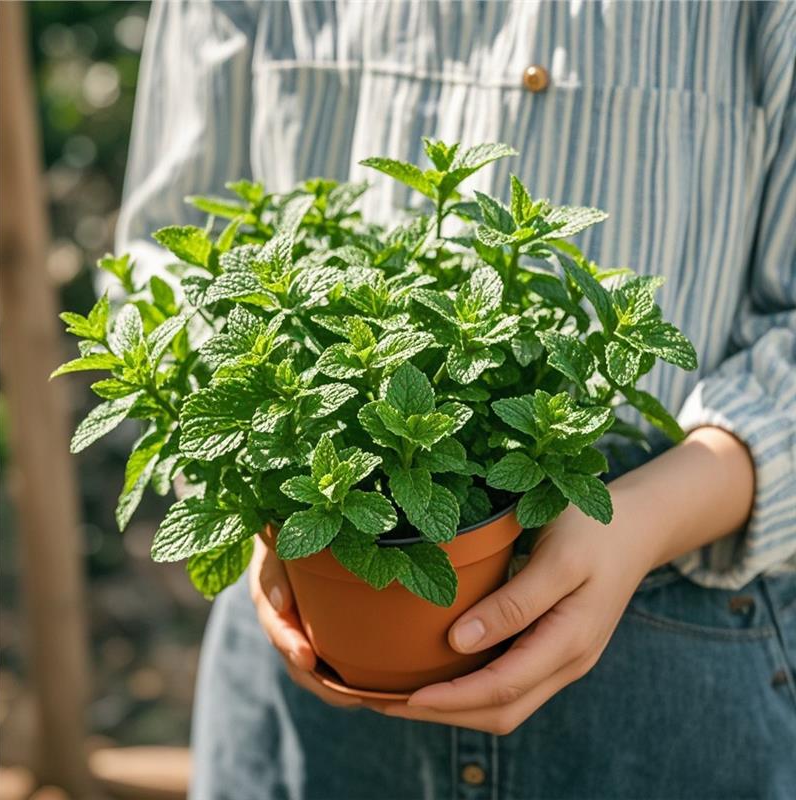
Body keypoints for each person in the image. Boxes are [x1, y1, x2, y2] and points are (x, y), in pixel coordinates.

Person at [117, 2, 796, 798]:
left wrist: (647, 516)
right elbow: (162, 262)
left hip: (670, 622)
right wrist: (261, 496)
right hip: (301, 623)